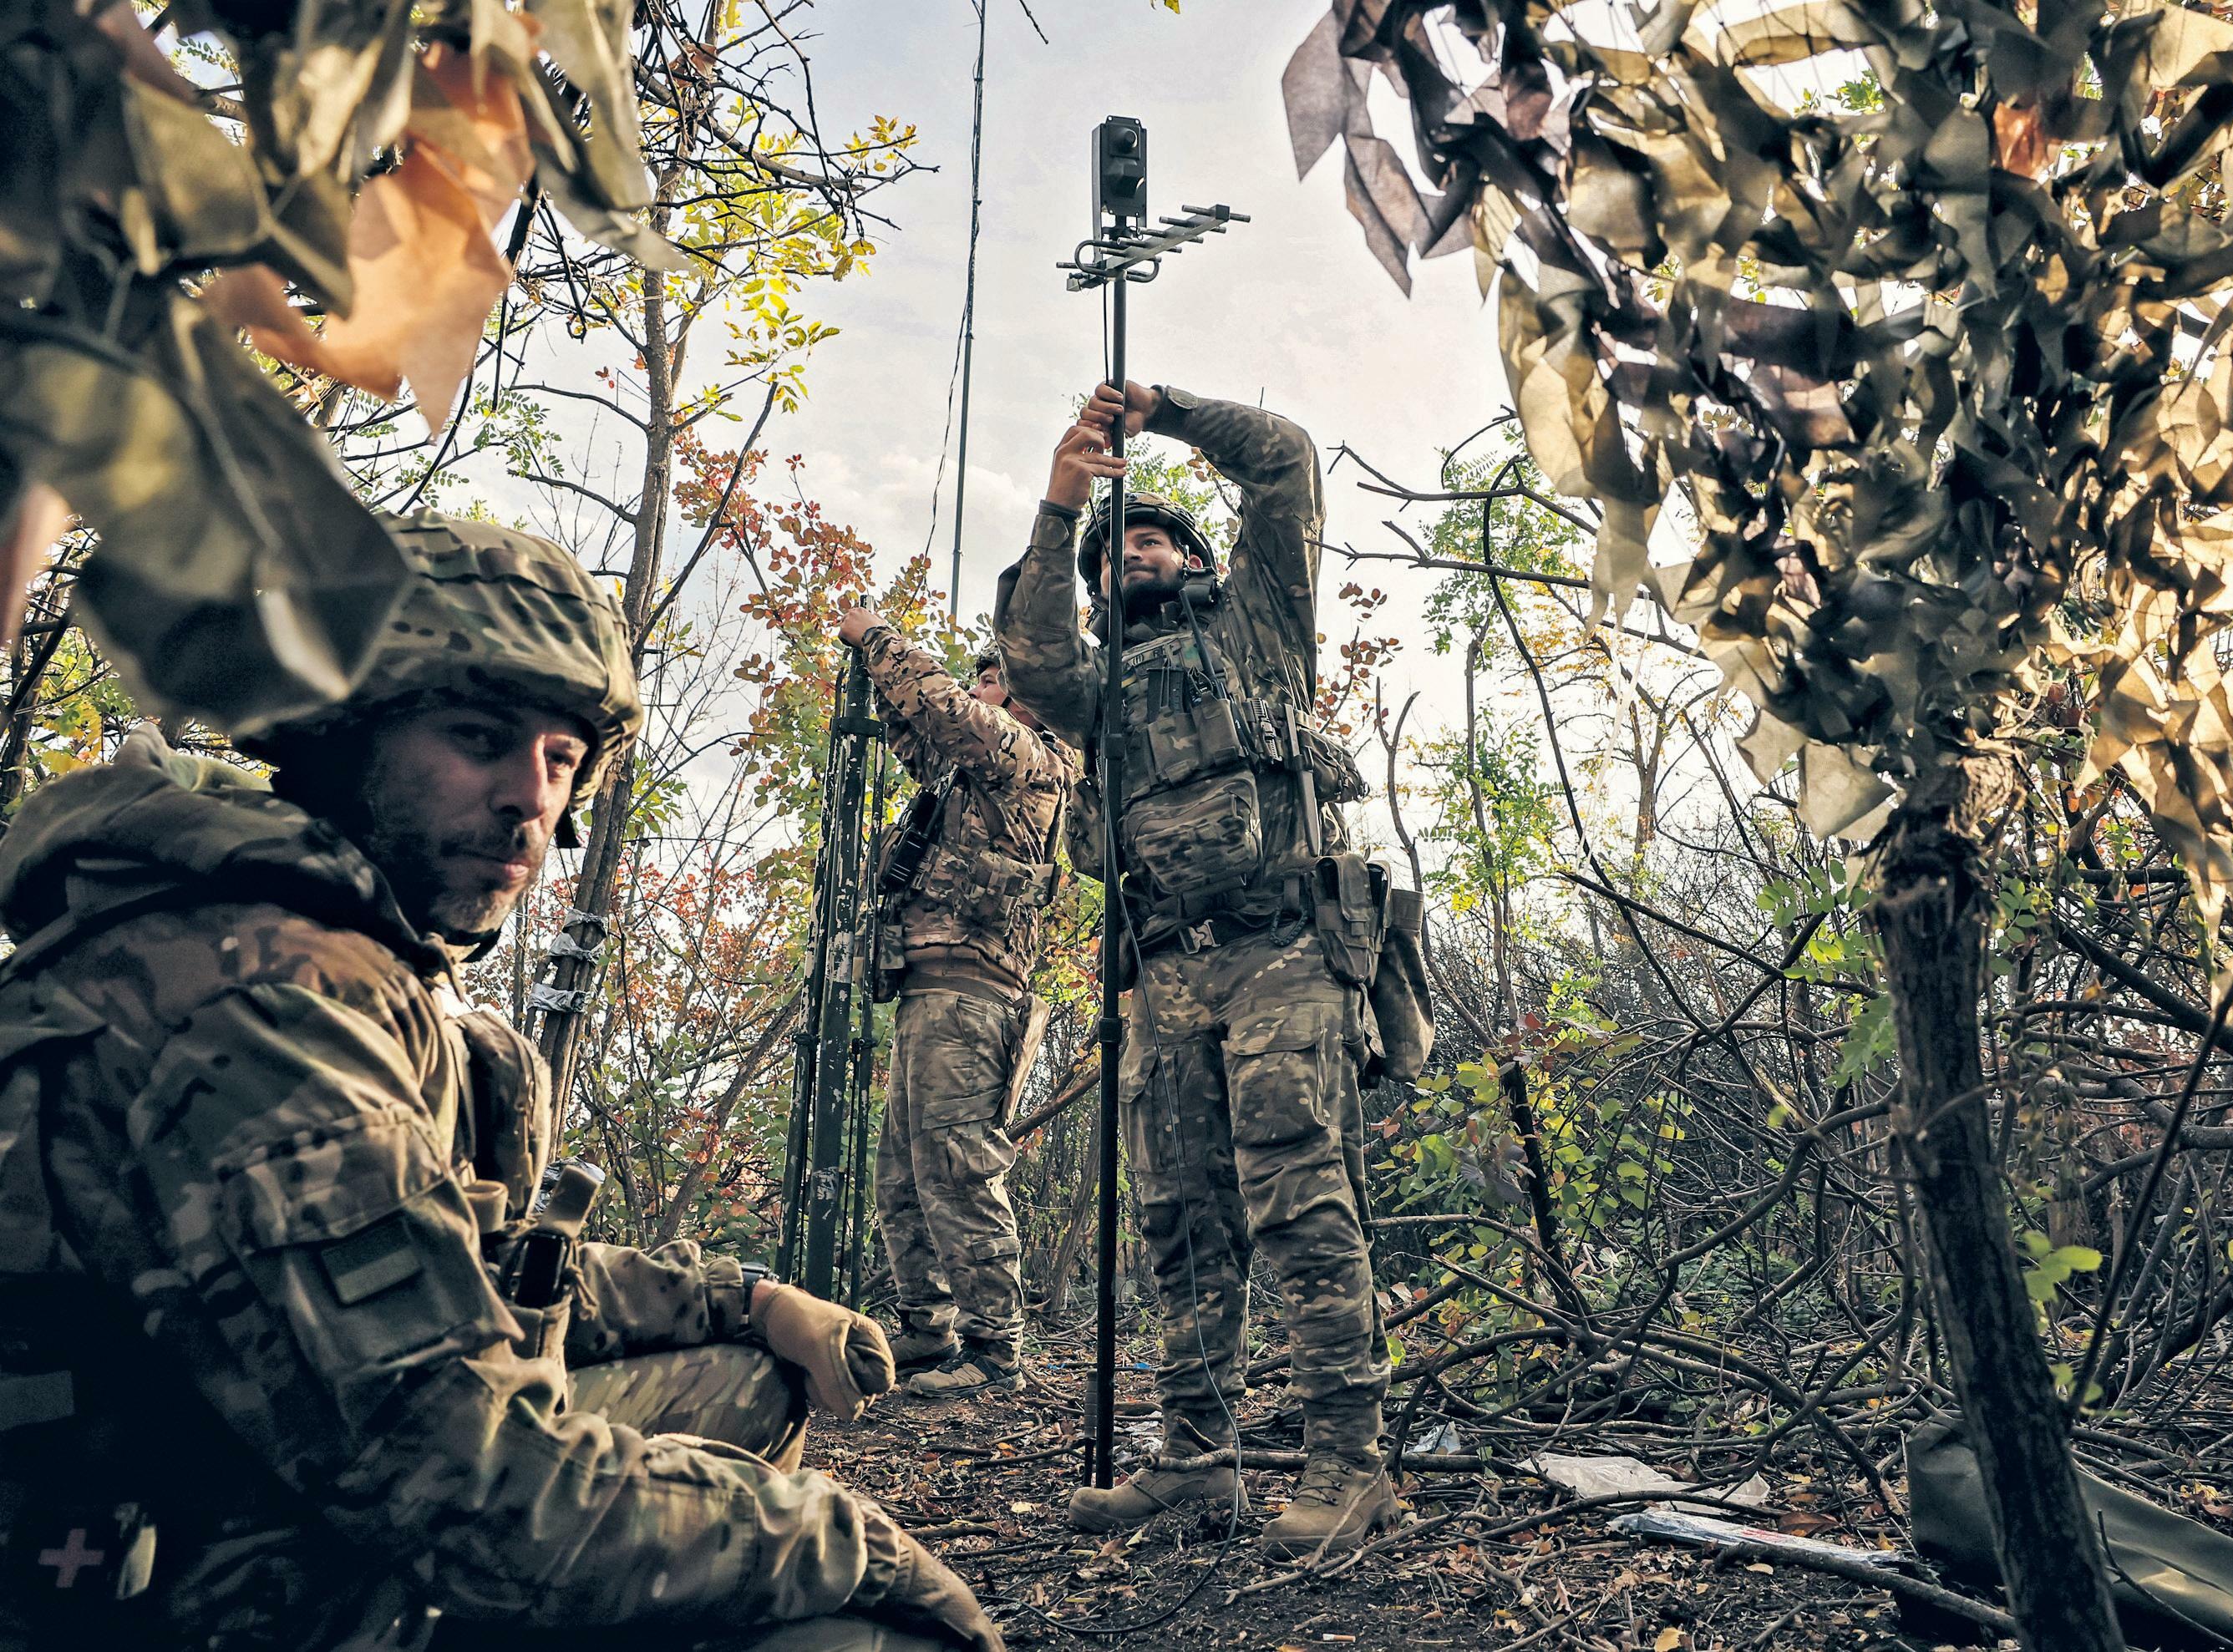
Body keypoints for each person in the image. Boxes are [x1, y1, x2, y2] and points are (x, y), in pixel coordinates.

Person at [0, 511, 1002, 1652]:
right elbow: (485, 1499)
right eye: (478, 738)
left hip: (243, 1503)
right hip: (176, 1591)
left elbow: (461, 1269)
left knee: (742, 1374)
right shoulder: (262, 997)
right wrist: (861, 1547)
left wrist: (750, 1296)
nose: (533, 800)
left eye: (561, 758)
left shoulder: (316, 952)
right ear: (344, 735)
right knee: (857, 1637)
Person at [991, 382, 1399, 1555]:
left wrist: (1159, 410)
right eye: (1113, 552)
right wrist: (1067, 500)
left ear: (1201, 560)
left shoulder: (1262, 623)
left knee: (1299, 1199)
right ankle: (1197, 1465)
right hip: (1166, 977)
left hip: (1283, 949)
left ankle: (1349, 1469)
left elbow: (1286, 459)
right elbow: (1029, 648)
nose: (1131, 556)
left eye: (1153, 535)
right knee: (1178, 1218)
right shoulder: (1096, 694)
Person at [832, 614, 1075, 1401]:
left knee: (958, 1168)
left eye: (995, 679)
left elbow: (944, 711)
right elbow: (918, 725)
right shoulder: (968, 779)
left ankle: (996, 1347)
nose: (980, 688)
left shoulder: (1034, 761)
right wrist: (876, 670)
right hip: (930, 992)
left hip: (973, 995)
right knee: (901, 1174)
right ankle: (927, 1329)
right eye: (978, 677)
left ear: (1032, 699)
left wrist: (876, 638)